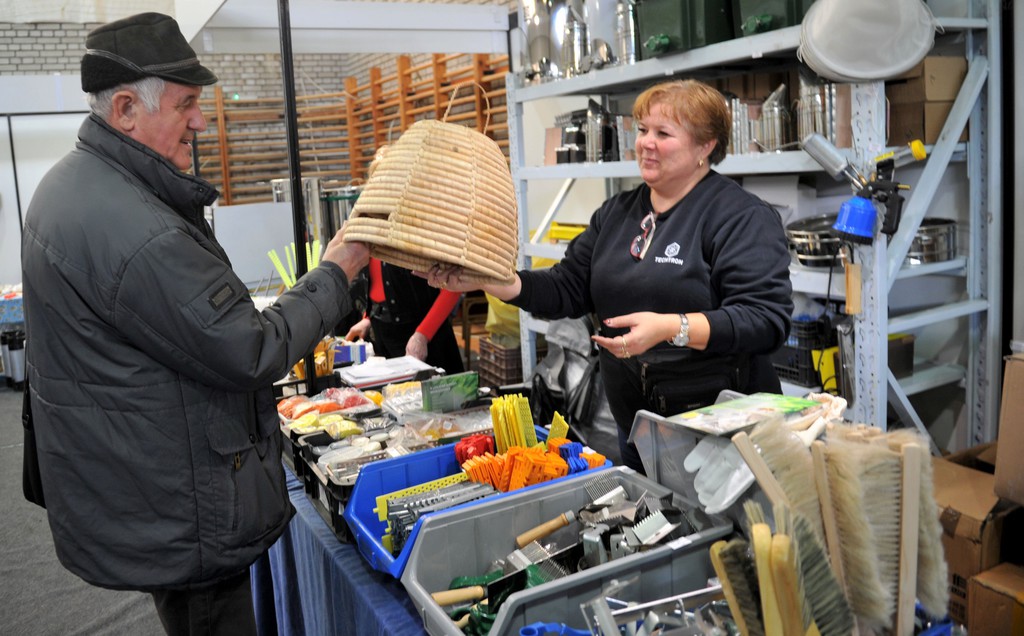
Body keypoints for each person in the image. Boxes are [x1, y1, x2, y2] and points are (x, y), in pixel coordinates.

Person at [20, 12, 368, 636]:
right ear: (126, 108)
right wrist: (336, 272)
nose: (202, 122)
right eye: (185, 106)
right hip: (183, 504)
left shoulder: (70, 187)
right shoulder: (134, 229)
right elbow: (249, 349)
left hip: (140, 486)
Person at [424, 79, 793, 472]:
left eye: (663, 133)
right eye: (643, 130)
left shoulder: (740, 216)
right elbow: (567, 288)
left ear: (705, 146)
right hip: (638, 427)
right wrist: (495, 280)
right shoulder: (617, 213)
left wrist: (671, 327)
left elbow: (765, 320)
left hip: (722, 433)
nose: (646, 142)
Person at [345, 257, 465, 373]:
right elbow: (377, 274)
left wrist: (423, 334)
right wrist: (369, 316)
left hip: (424, 337)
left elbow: (455, 283)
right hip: (382, 333)